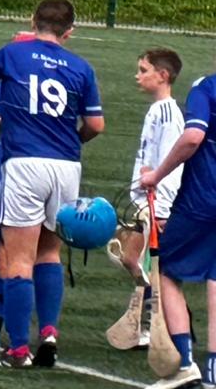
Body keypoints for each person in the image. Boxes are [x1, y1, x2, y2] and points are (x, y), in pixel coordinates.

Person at [0, 0, 104, 369]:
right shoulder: (81, 67)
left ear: (32, 20)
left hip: (25, 162)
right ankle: (50, 334)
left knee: (19, 257)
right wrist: (73, 141)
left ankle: (19, 349)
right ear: (69, 31)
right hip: (66, 167)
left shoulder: (13, 53)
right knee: (50, 253)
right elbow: (96, 125)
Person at [140, 73, 216, 388]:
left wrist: (156, 174)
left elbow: (193, 137)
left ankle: (184, 362)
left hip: (202, 199)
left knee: (167, 270)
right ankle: (213, 372)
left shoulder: (206, 87)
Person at [109, 49, 184, 350]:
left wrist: (157, 207)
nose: (137, 76)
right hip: (144, 202)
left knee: (143, 263)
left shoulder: (167, 113)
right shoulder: (157, 110)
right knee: (135, 261)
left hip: (154, 205)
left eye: (143, 70)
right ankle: (151, 324)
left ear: (163, 76)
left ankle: (158, 326)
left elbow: (170, 164)